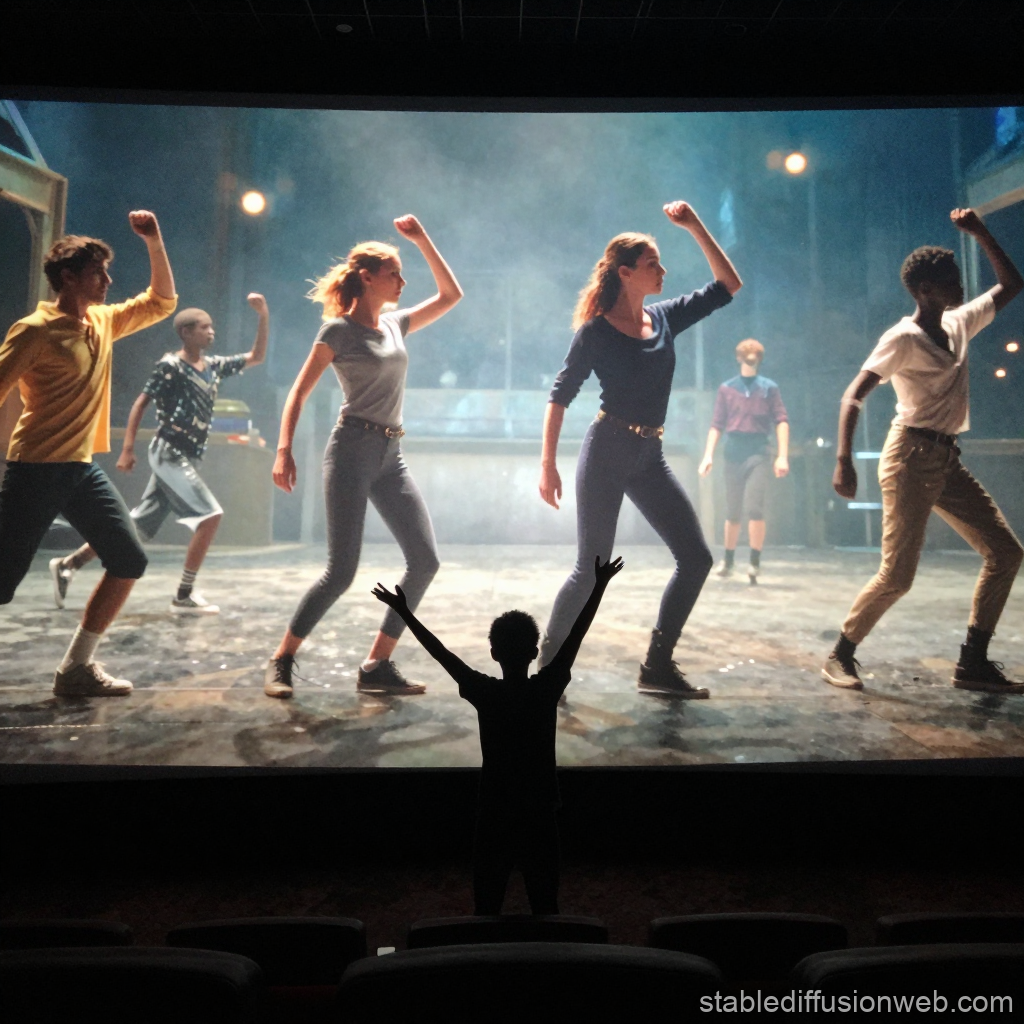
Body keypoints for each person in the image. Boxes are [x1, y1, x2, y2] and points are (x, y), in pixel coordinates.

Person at [537, 201, 742, 698]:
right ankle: (546, 671)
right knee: (591, 569)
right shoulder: (596, 332)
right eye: (653, 264)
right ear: (626, 273)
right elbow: (560, 394)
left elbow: (728, 286)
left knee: (695, 559)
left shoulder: (665, 318)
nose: (663, 271)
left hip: (650, 456)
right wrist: (547, 465)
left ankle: (656, 666)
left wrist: (694, 225)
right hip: (607, 449)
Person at [823, 207, 1024, 694]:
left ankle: (972, 662)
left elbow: (1012, 284)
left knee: (1005, 552)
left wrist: (979, 233)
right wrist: (843, 459)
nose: (960, 287)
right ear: (924, 291)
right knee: (898, 576)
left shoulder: (958, 324)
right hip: (909, 459)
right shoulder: (903, 338)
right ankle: (839, 654)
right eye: (950, 281)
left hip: (946, 459)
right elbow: (854, 394)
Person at [263, 215, 463, 699]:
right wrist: (284, 448)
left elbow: (451, 295)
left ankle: (376, 664)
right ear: (368, 278)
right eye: (394, 271)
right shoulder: (339, 331)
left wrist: (421, 241)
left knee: (425, 561)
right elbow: (299, 392)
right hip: (352, 449)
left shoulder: (396, 323)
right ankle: (281, 659)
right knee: (341, 571)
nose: (402, 279)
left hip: (391, 453)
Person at [373, 555, 624, 914]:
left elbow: (442, 654)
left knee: (486, 904)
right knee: (545, 904)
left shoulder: (486, 693)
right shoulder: (545, 689)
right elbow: (574, 637)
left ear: (493, 653)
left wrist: (405, 611)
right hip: (539, 809)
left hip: (495, 810)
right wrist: (600, 585)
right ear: (535, 651)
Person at [0, 212, 177, 696]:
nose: (108, 280)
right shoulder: (34, 329)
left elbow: (161, 302)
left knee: (128, 559)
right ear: (69, 277)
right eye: (99, 272)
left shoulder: (102, 320)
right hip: (34, 469)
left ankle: (76, 668)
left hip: (79, 469)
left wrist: (154, 241)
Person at [48, 294, 270, 614]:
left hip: (189, 456)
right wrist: (127, 449)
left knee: (136, 528)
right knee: (210, 516)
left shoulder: (214, 366)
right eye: (204, 327)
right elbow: (141, 403)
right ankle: (184, 594)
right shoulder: (171, 366)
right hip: (170, 453)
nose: (211, 332)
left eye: (212, 327)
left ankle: (69, 564)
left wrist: (262, 316)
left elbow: (257, 356)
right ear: (186, 333)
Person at [699, 338, 789, 584]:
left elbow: (781, 420)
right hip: (733, 451)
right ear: (739, 358)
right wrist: (708, 454)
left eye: (755, 356)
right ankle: (728, 560)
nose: (751, 359)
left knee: (755, 507)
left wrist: (782, 455)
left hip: (758, 450)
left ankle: (754, 561)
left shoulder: (768, 388)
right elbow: (717, 424)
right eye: (747, 355)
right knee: (732, 509)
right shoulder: (727, 388)